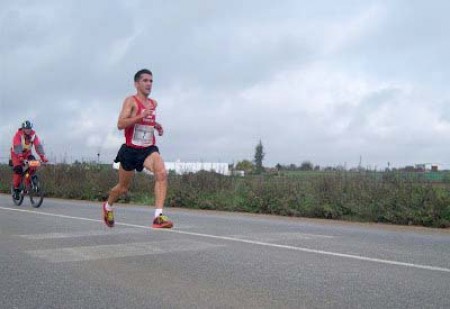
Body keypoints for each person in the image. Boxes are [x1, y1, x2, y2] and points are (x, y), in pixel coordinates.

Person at [103, 69, 173, 228]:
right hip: (130, 150)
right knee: (122, 188)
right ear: (136, 84)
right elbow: (121, 124)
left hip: (148, 150)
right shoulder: (131, 101)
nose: (149, 84)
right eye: (145, 81)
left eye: (151, 81)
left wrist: (156, 125)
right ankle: (108, 206)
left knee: (161, 172)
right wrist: (141, 116)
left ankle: (158, 216)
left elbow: (146, 121)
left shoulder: (154, 104)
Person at [10, 120, 48, 199]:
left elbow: (38, 146)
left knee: (33, 165)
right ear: (23, 128)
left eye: (29, 128)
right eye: (26, 128)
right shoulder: (18, 135)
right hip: (16, 155)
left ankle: (29, 184)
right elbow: (17, 146)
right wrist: (20, 156)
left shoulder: (33, 136)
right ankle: (16, 189)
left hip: (27, 154)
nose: (28, 130)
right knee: (18, 169)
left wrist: (43, 157)